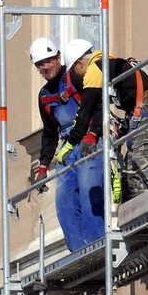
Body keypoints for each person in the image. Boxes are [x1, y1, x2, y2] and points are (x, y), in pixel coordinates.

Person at [56, 39, 148, 200]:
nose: (76, 75)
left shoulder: (94, 70)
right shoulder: (105, 65)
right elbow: (100, 109)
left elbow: (87, 109)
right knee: (129, 169)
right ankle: (134, 212)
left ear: (79, 64)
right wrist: (92, 134)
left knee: (138, 163)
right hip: (142, 109)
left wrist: (71, 143)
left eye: (74, 70)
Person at [29, 36, 103, 251]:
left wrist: (94, 133)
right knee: (65, 203)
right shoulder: (44, 96)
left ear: (58, 57)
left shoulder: (74, 76)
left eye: (48, 61)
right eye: (40, 65)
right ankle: (80, 251)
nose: (45, 67)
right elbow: (50, 133)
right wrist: (43, 167)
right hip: (68, 146)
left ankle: (98, 246)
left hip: (89, 138)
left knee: (90, 193)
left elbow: (95, 103)